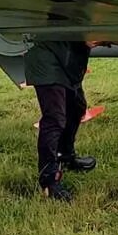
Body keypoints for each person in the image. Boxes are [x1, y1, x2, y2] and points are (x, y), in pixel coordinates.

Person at [24, 36, 95, 201]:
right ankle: (49, 181)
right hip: (46, 56)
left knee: (76, 107)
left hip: (69, 58)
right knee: (54, 118)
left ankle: (65, 156)